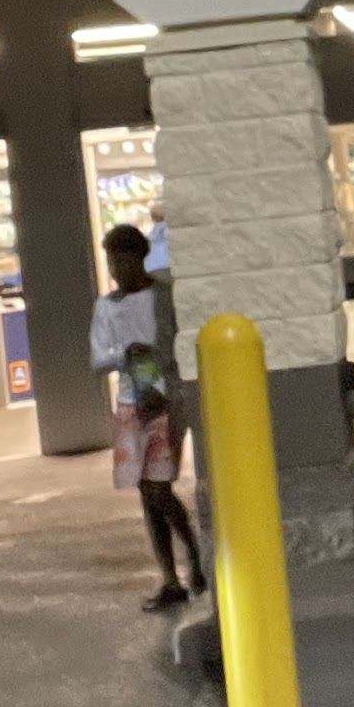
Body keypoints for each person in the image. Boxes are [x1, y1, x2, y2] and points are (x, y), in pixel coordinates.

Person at [91, 223, 205, 611]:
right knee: (147, 491)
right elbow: (98, 358)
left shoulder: (164, 297)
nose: (117, 270)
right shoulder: (106, 306)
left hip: (167, 400)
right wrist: (124, 354)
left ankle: (194, 554)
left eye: (124, 260)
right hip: (130, 402)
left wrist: (165, 378)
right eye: (112, 262)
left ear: (140, 258)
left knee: (158, 486)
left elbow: (183, 344)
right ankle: (171, 577)